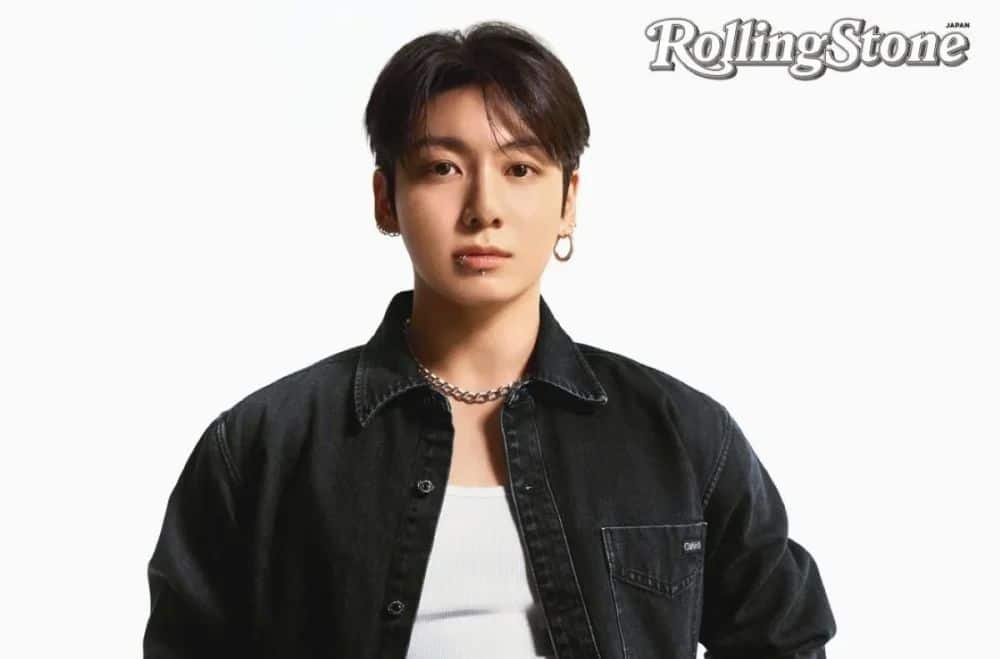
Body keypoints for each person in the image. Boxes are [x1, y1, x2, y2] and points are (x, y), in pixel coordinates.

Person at [143, 20, 836, 659]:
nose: (483, 209)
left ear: (568, 200)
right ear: (386, 198)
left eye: (520, 169)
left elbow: (785, 638)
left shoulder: (681, 436)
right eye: (442, 167)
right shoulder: (263, 448)